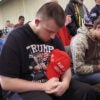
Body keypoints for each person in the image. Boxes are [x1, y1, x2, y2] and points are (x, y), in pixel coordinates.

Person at [0, 2, 97, 100]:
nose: (53, 37)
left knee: (87, 91)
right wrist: (44, 86)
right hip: (25, 89)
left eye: (55, 32)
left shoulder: (53, 37)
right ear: (37, 22)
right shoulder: (15, 38)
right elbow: (6, 82)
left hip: (53, 83)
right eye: (50, 31)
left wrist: (65, 83)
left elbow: (66, 66)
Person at [71, 16, 100, 85]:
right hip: (78, 74)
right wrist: (98, 67)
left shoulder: (97, 38)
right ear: (98, 27)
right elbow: (78, 69)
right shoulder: (80, 40)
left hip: (93, 69)